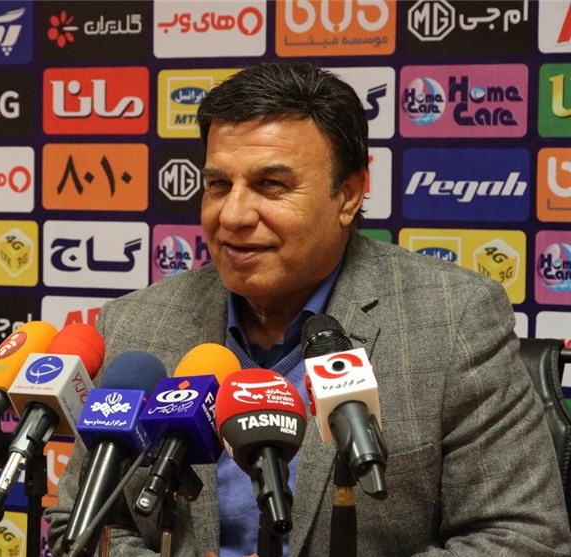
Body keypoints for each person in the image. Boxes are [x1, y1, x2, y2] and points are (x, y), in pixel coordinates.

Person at [45, 61, 571, 556]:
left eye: (271, 185)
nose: (233, 215)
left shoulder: (454, 319)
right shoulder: (137, 325)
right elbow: (82, 523)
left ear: (348, 194)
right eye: (218, 184)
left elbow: (522, 536)